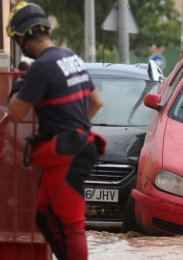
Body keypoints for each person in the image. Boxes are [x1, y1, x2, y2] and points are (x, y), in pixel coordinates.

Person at [6, 2, 105, 260]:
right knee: (44, 215)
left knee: (70, 225)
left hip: (68, 154)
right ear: (46, 30)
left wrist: (22, 80)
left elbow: (15, 113)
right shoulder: (71, 57)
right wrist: (74, 127)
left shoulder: (41, 67)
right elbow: (96, 103)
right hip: (75, 147)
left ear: (20, 38)